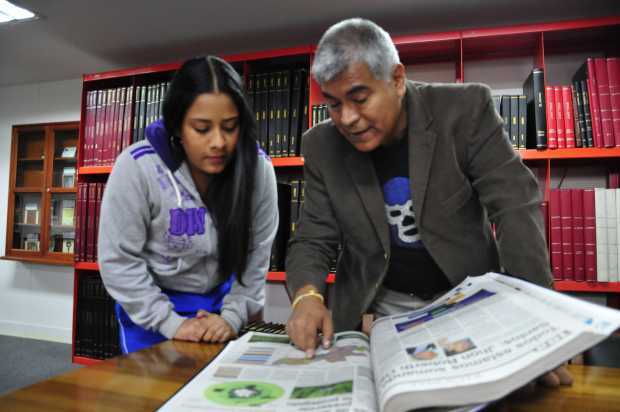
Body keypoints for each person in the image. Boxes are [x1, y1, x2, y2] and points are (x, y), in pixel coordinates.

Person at [285, 18, 571, 386]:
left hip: (466, 294)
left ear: (397, 79)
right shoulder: (321, 145)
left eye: (359, 99)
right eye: (334, 104)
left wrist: (533, 313)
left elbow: (514, 204)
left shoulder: (464, 111)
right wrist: (306, 297)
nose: (348, 119)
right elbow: (313, 237)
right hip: (382, 307)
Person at [98, 56, 278, 354]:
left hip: (226, 302)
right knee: (155, 397)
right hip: (153, 305)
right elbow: (118, 261)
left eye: (230, 127)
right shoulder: (136, 167)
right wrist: (172, 323)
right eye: (202, 128)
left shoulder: (258, 169)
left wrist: (231, 318)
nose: (218, 142)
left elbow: (257, 255)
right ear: (177, 128)